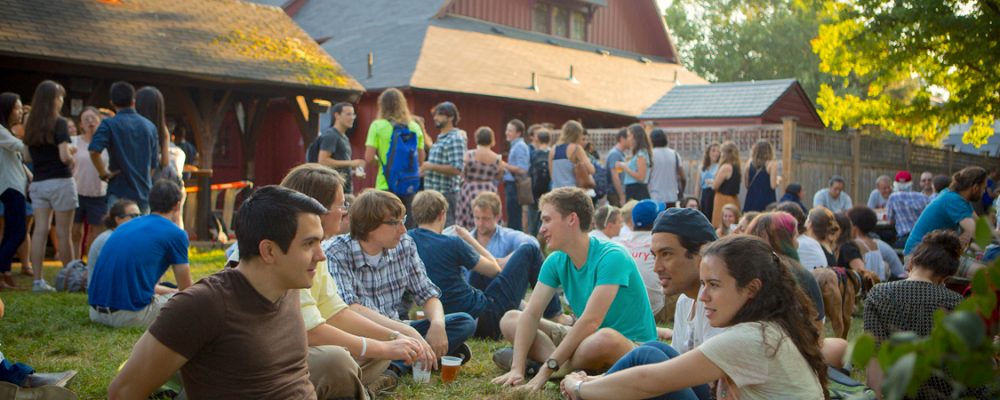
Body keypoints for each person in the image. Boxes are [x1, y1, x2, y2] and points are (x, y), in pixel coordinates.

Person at [109, 186, 326, 399]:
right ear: (269, 251)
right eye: (309, 244)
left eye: (320, 242)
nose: (321, 255)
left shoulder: (288, 286)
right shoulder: (203, 305)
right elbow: (123, 392)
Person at [560, 235, 827, 400]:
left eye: (714, 285)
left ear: (751, 289)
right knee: (655, 349)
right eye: (702, 285)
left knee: (649, 360)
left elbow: (649, 381)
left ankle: (582, 394)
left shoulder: (750, 338)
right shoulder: (766, 327)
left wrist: (580, 388)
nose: (703, 296)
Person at [274, 164, 423, 398]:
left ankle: (349, 384)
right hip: (276, 358)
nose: (345, 212)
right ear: (317, 208)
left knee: (377, 345)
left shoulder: (318, 249)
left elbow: (336, 311)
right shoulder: (289, 249)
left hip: (305, 349)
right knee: (338, 359)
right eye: (341, 205)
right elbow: (310, 331)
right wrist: (383, 345)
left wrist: (395, 335)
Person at [493, 188, 657, 391]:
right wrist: (516, 369)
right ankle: (547, 366)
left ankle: (547, 366)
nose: (542, 228)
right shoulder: (556, 260)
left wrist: (545, 372)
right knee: (511, 318)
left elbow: (590, 321)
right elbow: (532, 314)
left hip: (628, 345)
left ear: (572, 219)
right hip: (582, 339)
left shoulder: (613, 256)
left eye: (547, 220)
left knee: (604, 338)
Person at [323, 190, 476, 374]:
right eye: (394, 223)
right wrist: (409, 334)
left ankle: (401, 363)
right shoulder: (335, 252)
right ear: (368, 225)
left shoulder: (404, 244)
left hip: (397, 327)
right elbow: (351, 308)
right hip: (360, 335)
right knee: (344, 353)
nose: (403, 229)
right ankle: (408, 362)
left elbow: (427, 293)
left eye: (403, 221)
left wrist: (437, 324)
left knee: (464, 322)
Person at [410, 189, 553, 339]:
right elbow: (495, 269)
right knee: (530, 250)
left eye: (484, 219)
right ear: (442, 214)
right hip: (485, 319)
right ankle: (554, 314)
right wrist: (470, 239)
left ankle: (527, 309)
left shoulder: (408, 241)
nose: (480, 223)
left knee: (479, 272)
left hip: (451, 319)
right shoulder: (453, 242)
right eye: (477, 218)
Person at [864, 230, 966, 398]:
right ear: (945, 279)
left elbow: (875, 358)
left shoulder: (879, 294)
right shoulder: (956, 302)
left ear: (911, 263)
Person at [87, 180, 190, 328]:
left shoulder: (126, 226)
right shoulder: (175, 233)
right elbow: (187, 291)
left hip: (95, 313)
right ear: (177, 205)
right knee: (196, 300)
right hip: (129, 316)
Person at [24, 81, 77, 292]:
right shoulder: (60, 123)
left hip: (39, 183)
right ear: (55, 99)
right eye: (60, 97)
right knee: (64, 232)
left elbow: (27, 156)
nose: (62, 101)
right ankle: (70, 279)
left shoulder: (31, 124)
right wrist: (72, 156)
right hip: (61, 181)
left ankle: (37, 281)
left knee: (40, 231)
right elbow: (64, 156)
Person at [903, 166, 988, 276]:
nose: (984, 191)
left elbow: (982, 225)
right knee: (987, 273)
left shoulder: (956, 197)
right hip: (920, 257)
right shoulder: (954, 200)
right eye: (984, 187)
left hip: (931, 253)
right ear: (975, 187)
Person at [89, 81, 159, 214]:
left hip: (118, 190)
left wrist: (103, 174)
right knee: (141, 233)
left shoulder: (109, 124)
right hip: (143, 191)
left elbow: (94, 151)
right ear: (133, 101)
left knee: (118, 233)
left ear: (112, 103)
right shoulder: (150, 126)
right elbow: (154, 165)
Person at [364, 88, 425, 228]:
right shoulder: (414, 127)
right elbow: (420, 160)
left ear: (382, 105)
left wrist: (382, 163)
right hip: (408, 184)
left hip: (385, 183)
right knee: (406, 227)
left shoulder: (377, 126)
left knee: (383, 226)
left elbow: (368, 157)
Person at [614, 200, 667, 314]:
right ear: (657, 220)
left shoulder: (618, 242)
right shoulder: (661, 243)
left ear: (633, 220)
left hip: (619, 308)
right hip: (654, 308)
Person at [71, 107, 108, 259]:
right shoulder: (74, 141)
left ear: (100, 121)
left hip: (99, 193)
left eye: (93, 118)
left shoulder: (107, 144)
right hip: (76, 192)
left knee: (97, 232)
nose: (90, 122)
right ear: (80, 124)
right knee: (75, 232)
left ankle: (92, 263)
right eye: (86, 119)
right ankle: (75, 263)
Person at [421, 102, 466, 227]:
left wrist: (430, 166)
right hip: (434, 194)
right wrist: (425, 170)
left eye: (440, 114)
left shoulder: (455, 138)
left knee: (447, 230)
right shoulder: (442, 137)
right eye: (435, 115)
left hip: (446, 194)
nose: (435, 118)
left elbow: (457, 169)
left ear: (451, 117)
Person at [0, 92, 29, 290]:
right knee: (18, 232)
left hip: (15, 186)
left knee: (13, 231)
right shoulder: (1, 130)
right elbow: (21, 148)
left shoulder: (6, 131)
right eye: (17, 108)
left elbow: (17, 157)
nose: (20, 112)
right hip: (10, 187)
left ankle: (6, 273)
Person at [307, 102, 364, 194]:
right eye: (348, 114)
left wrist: (353, 172)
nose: (352, 118)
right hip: (333, 190)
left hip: (345, 189)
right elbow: (323, 161)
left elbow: (339, 167)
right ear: (337, 115)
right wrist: (352, 163)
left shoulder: (344, 137)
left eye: (353, 114)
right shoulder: (331, 135)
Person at [456, 127, 504, 230]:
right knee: (490, 214)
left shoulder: (469, 155)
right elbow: (499, 175)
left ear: (477, 138)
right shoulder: (497, 158)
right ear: (491, 139)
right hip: (489, 189)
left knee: (468, 218)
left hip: (470, 189)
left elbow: (462, 172)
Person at [86, 199, 140, 289]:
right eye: (133, 216)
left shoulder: (121, 238)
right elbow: (122, 279)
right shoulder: (109, 240)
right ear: (118, 219)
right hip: (108, 297)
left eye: (140, 215)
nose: (138, 219)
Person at [886, 170, 931, 248]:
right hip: (925, 238)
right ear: (910, 183)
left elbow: (890, 221)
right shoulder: (924, 197)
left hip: (906, 239)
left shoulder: (893, 197)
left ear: (895, 184)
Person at [838, 206, 884, 276]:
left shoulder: (855, 244)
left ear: (854, 227)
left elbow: (861, 271)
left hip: (867, 282)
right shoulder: (874, 243)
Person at [502, 119, 530, 231]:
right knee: (513, 217)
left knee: (514, 219)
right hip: (512, 185)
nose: (506, 133)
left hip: (514, 186)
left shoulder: (520, 146)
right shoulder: (516, 145)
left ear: (518, 133)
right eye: (507, 130)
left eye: (510, 130)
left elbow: (523, 169)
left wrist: (504, 164)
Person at [550, 120, 593, 190]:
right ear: (578, 134)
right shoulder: (576, 148)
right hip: (573, 192)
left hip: (556, 191)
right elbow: (591, 170)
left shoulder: (553, 148)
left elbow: (552, 175)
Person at [616, 124, 652, 201]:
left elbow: (641, 177)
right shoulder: (637, 153)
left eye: (629, 136)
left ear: (635, 137)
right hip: (633, 189)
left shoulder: (641, 154)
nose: (628, 139)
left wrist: (625, 167)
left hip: (637, 190)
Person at [648, 129, 683, 206]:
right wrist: (681, 190)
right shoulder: (675, 154)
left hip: (655, 196)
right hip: (672, 196)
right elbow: (682, 176)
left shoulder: (650, 155)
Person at [742, 140, 779, 212]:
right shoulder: (772, 164)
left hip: (751, 199)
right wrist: (778, 180)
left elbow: (746, 185)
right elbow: (773, 185)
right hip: (767, 200)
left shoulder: (749, 163)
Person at [526, 127, 551, 235]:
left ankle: (533, 241)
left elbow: (529, 171)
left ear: (537, 140)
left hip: (534, 189)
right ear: (549, 140)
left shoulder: (534, 154)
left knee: (532, 219)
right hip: (548, 189)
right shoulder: (552, 153)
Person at [710, 141, 741, 228]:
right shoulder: (736, 166)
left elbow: (715, 186)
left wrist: (712, 182)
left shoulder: (726, 167)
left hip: (723, 199)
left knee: (721, 226)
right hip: (734, 199)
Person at [696, 142, 720, 219]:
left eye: (718, 151)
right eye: (713, 150)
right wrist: (696, 200)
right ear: (708, 152)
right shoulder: (702, 167)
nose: (716, 153)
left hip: (715, 194)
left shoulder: (720, 166)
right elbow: (698, 185)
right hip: (705, 195)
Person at [606, 129, 628, 207]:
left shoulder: (621, 154)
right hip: (615, 194)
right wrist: (622, 196)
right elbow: (615, 176)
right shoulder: (615, 154)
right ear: (622, 138)